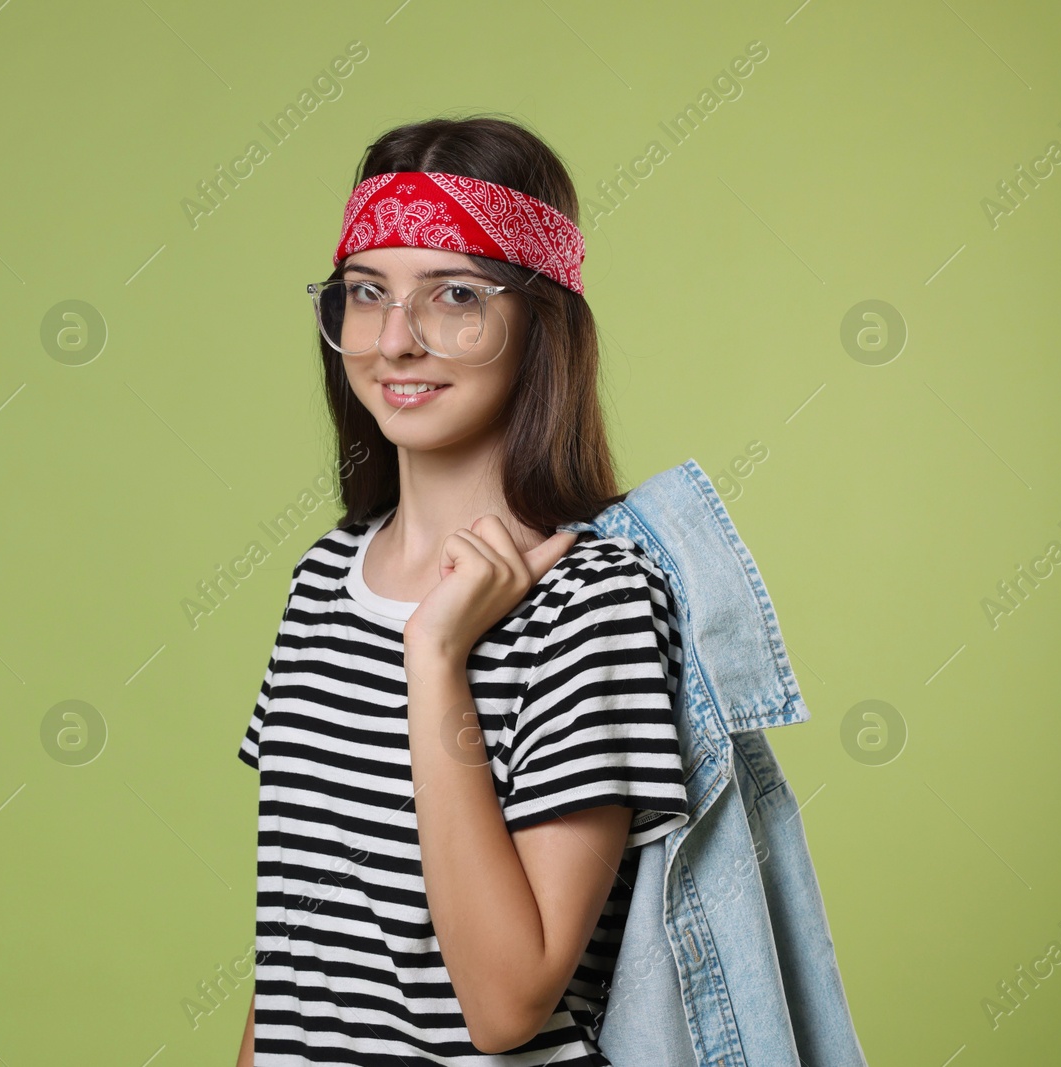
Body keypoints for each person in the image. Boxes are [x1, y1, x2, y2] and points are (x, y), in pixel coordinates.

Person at [234, 115, 692, 1065]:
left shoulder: (592, 603)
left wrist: (437, 659)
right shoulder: (324, 578)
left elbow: (507, 1005)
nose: (396, 341)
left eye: (453, 295)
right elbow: (295, 956)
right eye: (367, 293)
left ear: (540, 320)